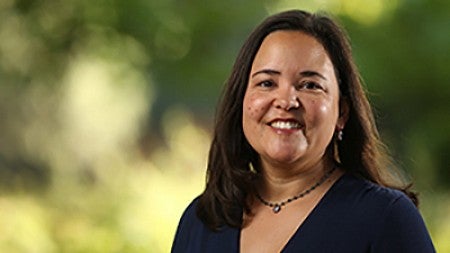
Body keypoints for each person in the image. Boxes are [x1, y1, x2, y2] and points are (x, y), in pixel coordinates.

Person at [171, 9, 435, 252]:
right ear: (242, 101)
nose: (286, 101)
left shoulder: (385, 218)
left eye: (310, 85)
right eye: (266, 83)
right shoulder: (202, 220)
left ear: (342, 112)